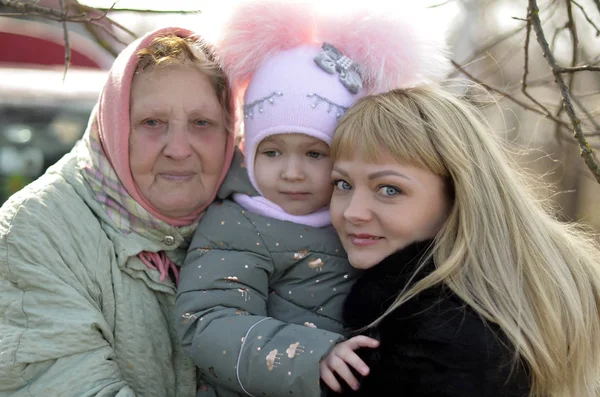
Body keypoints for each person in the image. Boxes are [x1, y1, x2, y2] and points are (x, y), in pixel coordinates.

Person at [174, 1, 449, 397]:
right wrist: (308, 357)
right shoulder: (238, 224)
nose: (292, 172)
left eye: (315, 154)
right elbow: (206, 322)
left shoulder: (357, 219)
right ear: (248, 149)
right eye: (272, 152)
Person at [319, 85, 600, 397]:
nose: (352, 213)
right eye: (342, 183)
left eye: (389, 189)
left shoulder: (438, 338)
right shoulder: (491, 301)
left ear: (456, 195)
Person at [0, 26, 236, 396]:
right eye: (152, 122)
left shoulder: (252, 220)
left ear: (229, 132)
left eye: (201, 123)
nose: (178, 148)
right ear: (113, 127)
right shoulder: (36, 229)